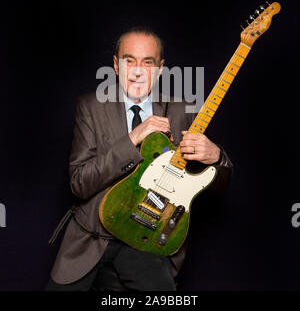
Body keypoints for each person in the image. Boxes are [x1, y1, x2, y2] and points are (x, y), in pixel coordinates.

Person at [45, 28, 233, 291]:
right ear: (115, 65)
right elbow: (80, 184)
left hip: (148, 242)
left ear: (160, 69)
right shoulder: (90, 107)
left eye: (148, 62)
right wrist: (133, 137)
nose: (137, 71)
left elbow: (216, 182)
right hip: (91, 239)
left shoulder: (183, 110)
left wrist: (217, 157)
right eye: (129, 60)